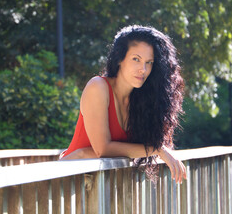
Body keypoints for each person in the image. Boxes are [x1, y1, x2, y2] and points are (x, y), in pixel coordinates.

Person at [60, 25, 186, 184]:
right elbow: (103, 149)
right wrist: (158, 149)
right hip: (67, 182)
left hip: (99, 187)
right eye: (136, 59)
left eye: (149, 62)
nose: (143, 69)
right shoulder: (98, 87)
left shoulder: (141, 102)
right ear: (119, 58)